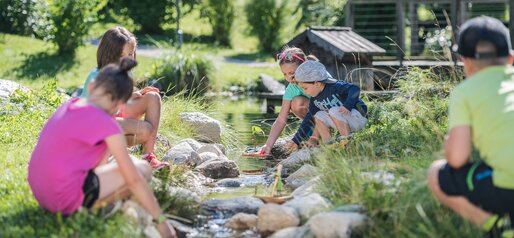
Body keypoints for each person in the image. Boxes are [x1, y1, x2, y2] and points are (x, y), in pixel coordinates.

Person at [28, 58, 176, 237]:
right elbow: (134, 179)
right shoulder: (108, 125)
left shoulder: (70, 104)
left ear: (91, 86)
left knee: (116, 168)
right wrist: (161, 222)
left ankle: (96, 205)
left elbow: (97, 163)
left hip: (40, 192)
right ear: (120, 105)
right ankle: (98, 210)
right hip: (61, 199)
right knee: (142, 169)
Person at [427, 16, 514, 237]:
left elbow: (457, 159)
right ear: (511, 58)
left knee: (437, 174)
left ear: (466, 62)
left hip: (507, 188)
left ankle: (498, 226)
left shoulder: (465, 91)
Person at [81, 26, 168, 169]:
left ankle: (148, 156)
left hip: (115, 117)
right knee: (146, 130)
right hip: (97, 125)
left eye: (131, 54)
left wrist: (133, 94)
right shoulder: (98, 76)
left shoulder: (124, 73)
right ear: (108, 54)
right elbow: (98, 113)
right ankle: (106, 151)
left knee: (153, 97)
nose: (127, 59)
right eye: (122, 55)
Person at [285, 60, 368, 151]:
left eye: (305, 88)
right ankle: (329, 145)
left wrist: (347, 106)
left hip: (358, 117)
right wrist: (296, 140)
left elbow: (354, 89)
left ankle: (347, 142)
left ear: (317, 83)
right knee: (318, 115)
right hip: (344, 120)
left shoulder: (335, 86)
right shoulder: (315, 99)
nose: (305, 92)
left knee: (333, 110)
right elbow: (308, 120)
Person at [260, 47, 320, 155]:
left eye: (292, 73)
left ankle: (317, 135)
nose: (288, 78)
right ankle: (311, 133)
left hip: (330, 116)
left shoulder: (317, 81)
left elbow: (321, 109)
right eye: (284, 74)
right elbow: (281, 120)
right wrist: (268, 144)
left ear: (303, 67)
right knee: (297, 102)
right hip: (313, 119)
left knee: (305, 104)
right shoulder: (291, 89)